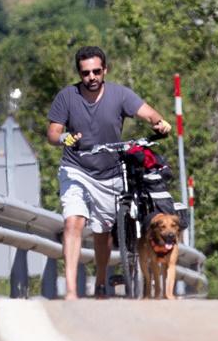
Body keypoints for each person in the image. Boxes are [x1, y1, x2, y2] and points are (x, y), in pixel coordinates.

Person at [46, 46, 171, 300]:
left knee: (103, 232)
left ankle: (101, 280)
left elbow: (147, 112)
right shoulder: (67, 97)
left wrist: (159, 122)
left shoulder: (119, 94)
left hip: (110, 173)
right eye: (85, 73)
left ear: (105, 70)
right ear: (79, 74)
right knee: (73, 222)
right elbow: (53, 133)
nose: (91, 77)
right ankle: (71, 291)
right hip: (76, 168)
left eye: (96, 71)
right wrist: (65, 138)